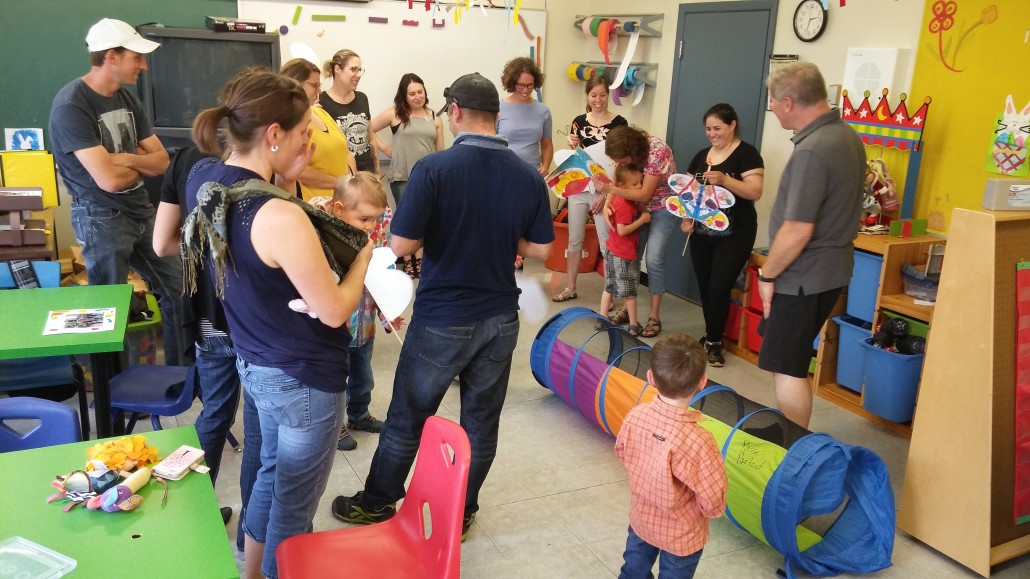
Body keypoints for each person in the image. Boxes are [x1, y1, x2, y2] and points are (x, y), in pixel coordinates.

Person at [331, 72, 554, 542]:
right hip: (500, 318)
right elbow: (539, 250)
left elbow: (401, 242)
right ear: (497, 117)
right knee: (480, 423)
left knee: (408, 417)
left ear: (453, 113)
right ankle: (461, 512)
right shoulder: (527, 174)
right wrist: (495, 231)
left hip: (443, 318)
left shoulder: (435, 169)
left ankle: (375, 505)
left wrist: (451, 229)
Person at [183, 68, 372, 579]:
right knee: (293, 506)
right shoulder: (277, 217)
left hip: (257, 364)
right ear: (273, 134)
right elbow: (334, 309)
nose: (309, 148)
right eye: (305, 136)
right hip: (305, 378)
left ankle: (250, 572)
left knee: (270, 476)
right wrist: (363, 258)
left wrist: (285, 175)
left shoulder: (205, 179)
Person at [48, 18, 188, 365]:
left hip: (140, 209)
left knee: (179, 291)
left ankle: (181, 378)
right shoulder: (72, 106)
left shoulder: (125, 97)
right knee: (107, 313)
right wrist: (134, 162)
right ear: (111, 56)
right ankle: (117, 394)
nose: (143, 64)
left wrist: (121, 158)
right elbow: (107, 181)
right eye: (136, 57)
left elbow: (160, 162)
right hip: (100, 217)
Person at [759, 62, 866, 428]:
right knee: (790, 356)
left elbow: (798, 230)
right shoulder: (846, 135)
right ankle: (790, 431)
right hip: (829, 270)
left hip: (802, 275)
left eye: (773, 102)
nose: (771, 109)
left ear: (788, 102)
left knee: (785, 364)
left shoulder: (813, 150)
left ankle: (794, 447)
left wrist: (767, 274)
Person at [153, 145, 237, 527]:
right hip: (245, 317)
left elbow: (162, 244)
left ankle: (191, 512)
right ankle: (251, 535)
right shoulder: (253, 161)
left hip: (204, 312)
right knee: (261, 423)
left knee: (215, 412)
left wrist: (201, 250)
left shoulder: (184, 159)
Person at [615, 333, 728, 579]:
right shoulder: (700, 441)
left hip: (642, 520)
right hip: (682, 534)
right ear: (702, 382)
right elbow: (713, 500)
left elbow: (622, 452)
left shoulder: (636, 415)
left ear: (650, 378)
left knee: (632, 571)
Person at [307, 172, 404, 451]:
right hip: (334, 327)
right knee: (335, 379)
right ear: (339, 210)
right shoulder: (321, 232)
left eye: (375, 218)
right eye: (364, 219)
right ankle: (334, 427)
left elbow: (382, 274)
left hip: (365, 322)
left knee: (363, 374)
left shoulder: (374, 230)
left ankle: (359, 414)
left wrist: (387, 313)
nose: (371, 226)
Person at [682, 103, 765, 367]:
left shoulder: (747, 154)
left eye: (717, 128)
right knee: (706, 287)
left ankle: (715, 342)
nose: (712, 133)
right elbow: (687, 192)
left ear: (732, 125)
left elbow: (755, 192)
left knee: (719, 287)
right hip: (702, 234)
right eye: (708, 128)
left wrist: (726, 180)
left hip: (735, 234)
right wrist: (686, 218)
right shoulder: (700, 157)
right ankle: (711, 335)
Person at [595, 125, 679, 338]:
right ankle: (627, 308)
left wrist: (610, 191)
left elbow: (644, 194)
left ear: (633, 151)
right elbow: (619, 180)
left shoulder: (656, 151)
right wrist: (607, 204)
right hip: (636, 207)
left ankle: (654, 316)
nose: (620, 163)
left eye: (622, 160)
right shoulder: (624, 154)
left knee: (653, 260)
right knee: (631, 258)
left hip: (661, 207)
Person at [553, 76, 628, 303]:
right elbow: (578, 156)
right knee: (574, 238)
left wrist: (607, 195)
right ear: (587, 95)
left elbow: (620, 162)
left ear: (608, 95)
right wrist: (572, 144)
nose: (598, 100)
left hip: (605, 188)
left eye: (603, 95)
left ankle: (610, 292)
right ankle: (570, 286)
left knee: (607, 242)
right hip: (579, 185)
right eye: (593, 95)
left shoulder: (619, 123)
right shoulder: (579, 121)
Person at [370, 72, 444, 278]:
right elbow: (367, 127)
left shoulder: (435, 118)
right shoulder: (395, 114)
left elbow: (441, 152)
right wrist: (384, 147)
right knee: (408, 218)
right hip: (402, 176)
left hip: (428, 179)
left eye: (420, 92)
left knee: (425, 219)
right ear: (404, 95)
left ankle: (420, 259)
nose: (417, 96)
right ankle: (410, 261)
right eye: (412, 93)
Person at [280, 58, 356, 200]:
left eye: (319, 85)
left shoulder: (322, 113)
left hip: (341, 201)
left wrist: (353, 182)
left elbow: (346, 152)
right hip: (315, 203)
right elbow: (296, 170)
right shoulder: (288, 123)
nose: (319, 90)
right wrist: (339, 183)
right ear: (294, 83)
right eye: (315, 85)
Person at [600, 165, 650, 336]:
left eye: (640, 183)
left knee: (609, 287)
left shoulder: (617, 199)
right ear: (621, 186)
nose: (640, 187)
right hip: (624, 254)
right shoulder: (625, 204)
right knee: (630, 293)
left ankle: (602, 318)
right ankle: (634, 325)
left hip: (611, 250)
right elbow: (622, 230)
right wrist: (642, 219)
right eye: (635, 184)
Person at [320, 49, 382, 175]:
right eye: (353, 69)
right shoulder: (322, 102)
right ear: (337, 69)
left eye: (360, 70)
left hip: (366, 174)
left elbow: (371, 137)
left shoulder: (362, 98)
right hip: (339, 176)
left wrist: (377, 170)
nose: (358, 74)